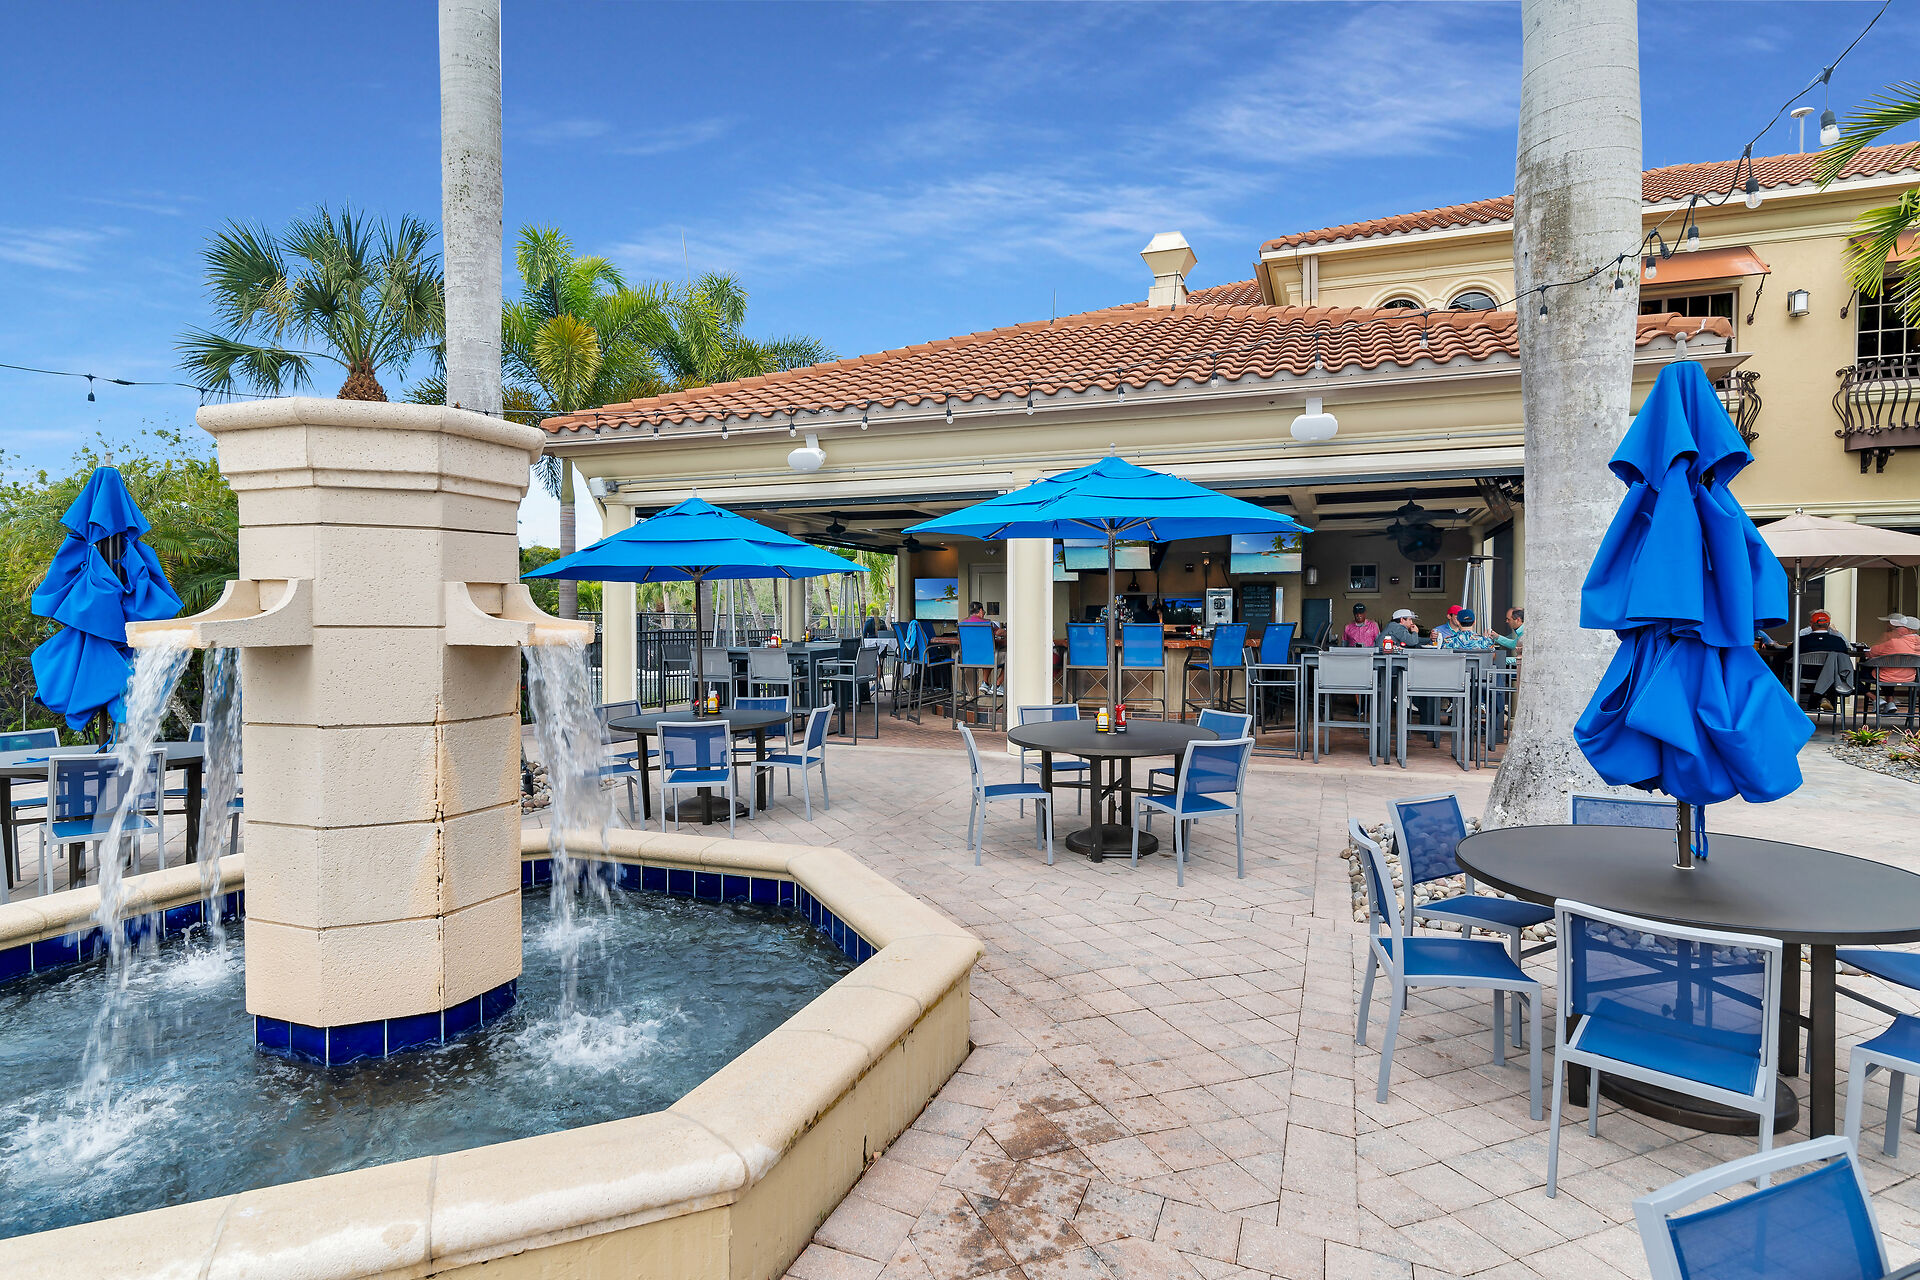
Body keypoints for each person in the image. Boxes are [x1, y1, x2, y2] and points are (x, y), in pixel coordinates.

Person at [1867, 613, 1920, 708]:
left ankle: (1876, 699)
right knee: (1888, 670)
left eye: (1899, 627)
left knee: (1857, 674)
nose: (1896, 629)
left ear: (1909, 630)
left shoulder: (1894, 642)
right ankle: (1890, 703)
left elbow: (1871, 653)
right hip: (1911, 678)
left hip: (1888, 676)